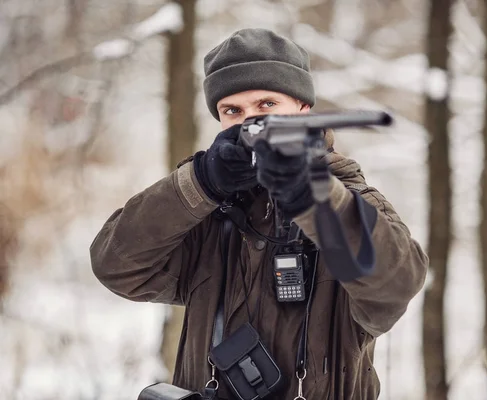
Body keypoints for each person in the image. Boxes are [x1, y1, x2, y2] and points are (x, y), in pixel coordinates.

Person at [90, 28, 428, 400]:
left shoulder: (349, 198)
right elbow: (116, 266)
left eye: (267, 105)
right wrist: (201, 182)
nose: (250, 122)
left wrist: (312, 197)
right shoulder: (208, 209)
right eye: (233, 110)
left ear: (303, 109)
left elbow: (395, 286)